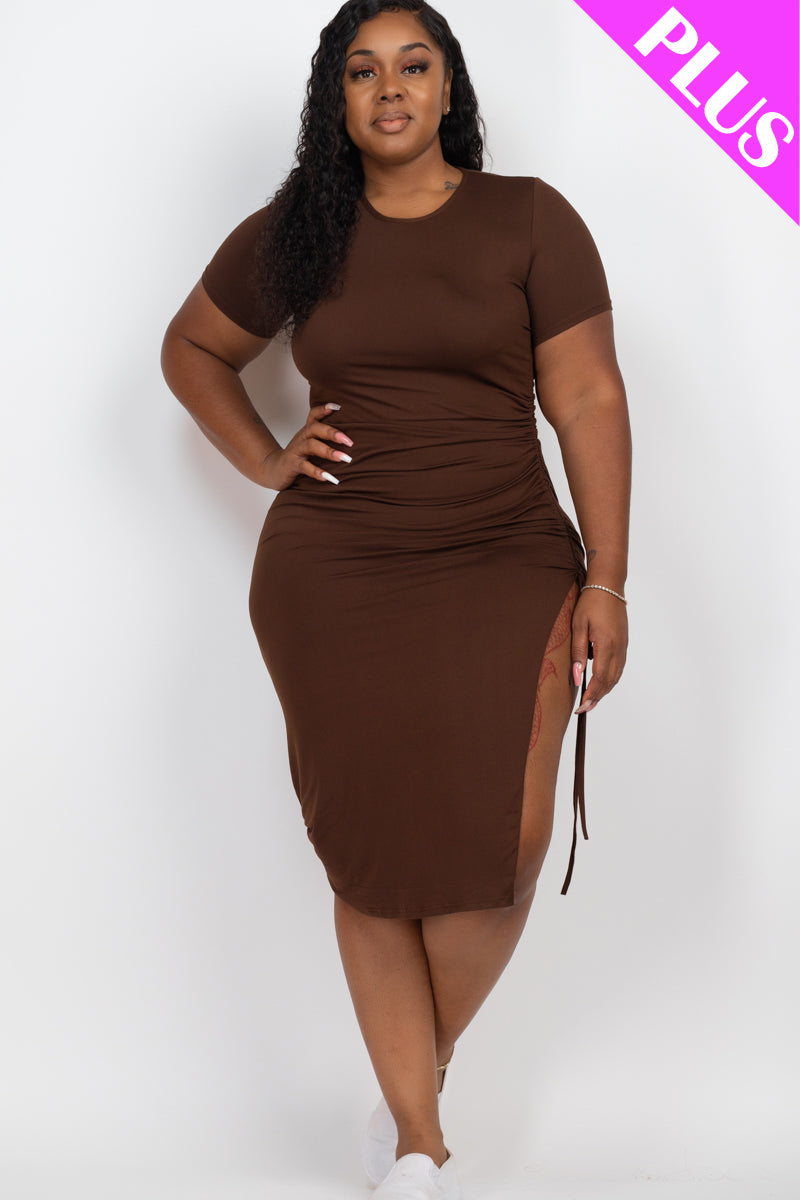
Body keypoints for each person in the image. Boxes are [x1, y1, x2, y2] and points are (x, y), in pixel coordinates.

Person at [161, 1, 631, 1196]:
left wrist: (606, 577)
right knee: (368, 857)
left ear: (446, 86)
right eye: (361, 71)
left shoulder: (529, 219)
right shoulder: (299, 231)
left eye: (412, 66)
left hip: (505, 555)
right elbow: (192, 349)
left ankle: (405, 1077)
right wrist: (266, 457)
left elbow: (586, 399)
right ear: (335, 99)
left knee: (506, 847)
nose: (389, 89)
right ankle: (419, 1144)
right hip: (336, 572)